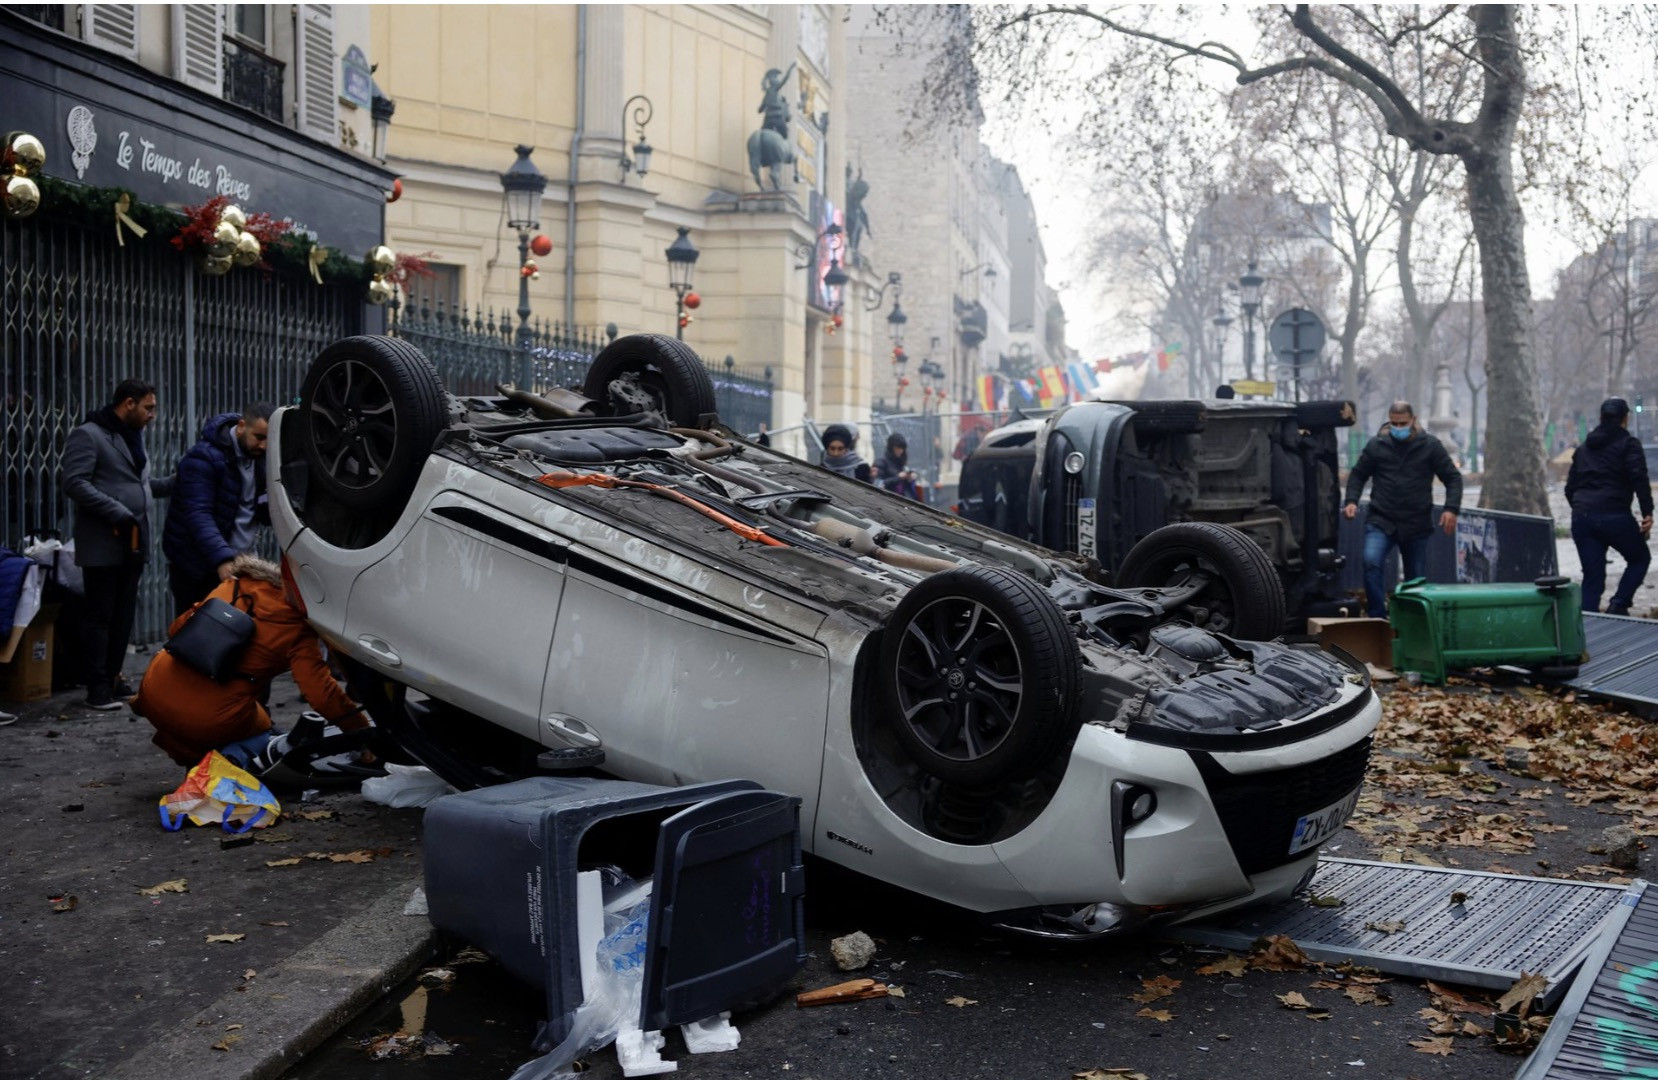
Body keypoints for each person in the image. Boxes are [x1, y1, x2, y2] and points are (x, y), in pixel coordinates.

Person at [133, 555, 371, 770]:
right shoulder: (298, 630)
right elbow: (322, 695)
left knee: (220, 705)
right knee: (266, 733)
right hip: (206, 718)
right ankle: (227, 761)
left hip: (152, 688)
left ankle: (193, 754)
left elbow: (176, 629)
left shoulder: (237, 585)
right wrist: (362, 734)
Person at [62, 379, 173, 711]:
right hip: (103, 542)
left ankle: (113, 678)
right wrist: (118, 512)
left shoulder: (132, 436)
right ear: (128, 403)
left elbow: (138, 485)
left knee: (123, 615)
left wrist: (175, 483)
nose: (152, 415)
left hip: (133, 543)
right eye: (148, 408)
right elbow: (74, 482)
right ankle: (96, 687)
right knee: (100, 615)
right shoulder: (89, 435)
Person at [1343, 400, 1462, 618]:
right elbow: (1358, 474)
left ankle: (1412, 621)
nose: (1398, 428)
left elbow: (1452, 478)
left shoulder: (1430, 446)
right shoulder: (1377, 446)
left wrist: (1451, 509)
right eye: (1394, 424)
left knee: (1415, 579)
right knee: (1371, 562)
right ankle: (1378, 617)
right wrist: (1351, 500)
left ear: (1413, 420)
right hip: (1381, 518)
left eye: (1403, 424)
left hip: (1416, 522)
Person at [162, 404, 272, 616]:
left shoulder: (260, 459)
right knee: (197, 630)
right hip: (199, 568)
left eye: (269, 439)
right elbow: (198, 513)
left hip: (241, 565)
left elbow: (260, 510)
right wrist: (222, 559)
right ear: (241, 426)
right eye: (259, 437)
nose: (264, 445)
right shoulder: (203, 457)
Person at [1565, 397, 1653, 615]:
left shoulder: (1584, 449)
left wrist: (1580, 509)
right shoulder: (1628, 444)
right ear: (1625, 419)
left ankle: (1587, 625)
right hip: (1614, 515)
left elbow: (1570, 488)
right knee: (1640, 558)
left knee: (1592, 576)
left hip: (1583, 517)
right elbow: (1639, 478)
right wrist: (1647, 512)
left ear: (1601, 418)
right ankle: (1619, 604)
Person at [874, 432, 923, 501]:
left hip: (904, 499)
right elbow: (878, 484)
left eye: (902, 448)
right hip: (888, 499)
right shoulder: (881, 462)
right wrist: (898, 477)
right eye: (898, 448)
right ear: (891, 447)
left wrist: (909, 477)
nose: (900, 451)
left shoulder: (900, 463)